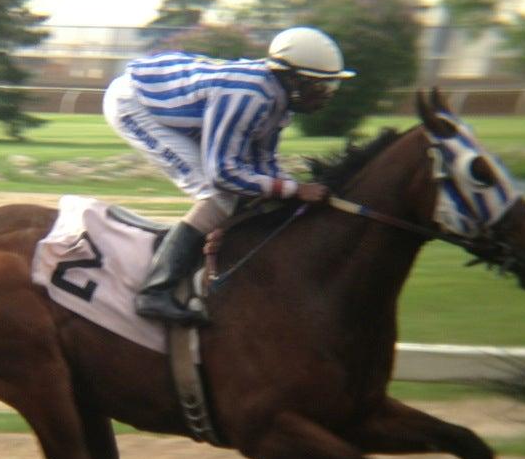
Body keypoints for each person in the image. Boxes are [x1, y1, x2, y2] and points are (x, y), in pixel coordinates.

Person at [103, 26, 356, 326]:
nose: (327, 95)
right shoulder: (248, 97)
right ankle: (155, 291)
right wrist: (295, 190)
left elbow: (264, 165)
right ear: (293, 79)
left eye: (331, 87)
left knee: (250, 189)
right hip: (134, 104)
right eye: (321, 86)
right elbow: (223, 174)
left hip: (169, 97)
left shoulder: (278, 102)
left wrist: (295, 191)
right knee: (217, 195)